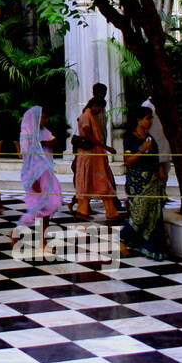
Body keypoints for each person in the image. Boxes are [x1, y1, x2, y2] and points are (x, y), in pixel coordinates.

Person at [119, 107, 169, 259]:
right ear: (138, 120)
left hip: (153, 181)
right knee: (138, 215)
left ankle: (151, 248)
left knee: (154, 214)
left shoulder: (150, 139)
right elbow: (127, 161)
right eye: (147, 118)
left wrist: (160, 170)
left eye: (151, 118)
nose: (150, 121)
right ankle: (121, 239)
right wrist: (141, 149)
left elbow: (155, 158)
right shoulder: (130, 139)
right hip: (137, 183)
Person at [12, 105, 62, 244]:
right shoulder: (27, 135)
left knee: (51, 204)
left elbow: (54, 140)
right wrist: (33, 179)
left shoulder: (44, 132)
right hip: (35, 175)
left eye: (45, 117)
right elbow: (27, 157)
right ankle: (17, 231)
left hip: (47, 174)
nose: (45, 120)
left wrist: (46, 142)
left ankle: (42, 238)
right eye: (42, 118)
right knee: (37, 207)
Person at [72, 94, 121, 220]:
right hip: (89, 156)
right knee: (94, 182)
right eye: (99, 108)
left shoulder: (88, 116)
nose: (99, 111)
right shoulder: (85, 117)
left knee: (93, 182)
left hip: (93, 156)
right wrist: (106, 147)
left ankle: (91, 210)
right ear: (94, 106)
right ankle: (87, 210)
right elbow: (89, 137)